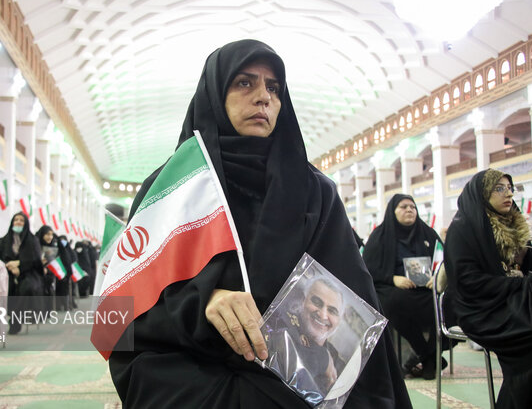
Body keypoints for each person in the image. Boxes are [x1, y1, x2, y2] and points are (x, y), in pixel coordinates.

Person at [108, 39, 411, 409]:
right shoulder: (167, 191)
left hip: (294, 378)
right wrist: (204, 301)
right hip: (185, 365)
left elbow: (355, 302)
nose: (263, 97)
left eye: (273, 88)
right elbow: (118, 313)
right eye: (244, 83)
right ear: (214, 94)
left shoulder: (316, 195)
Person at [444, 169, 532, 408]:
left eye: (510, 188)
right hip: (480, 309)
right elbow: (468, 282)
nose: (508, 194)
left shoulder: (514, 225)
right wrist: (518, 283)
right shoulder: (464, 228)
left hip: (511, 302)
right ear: (482, 193)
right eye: (499, 188)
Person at [363, 194, 448, 379]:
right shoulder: (380, 236)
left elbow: (444, 261)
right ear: (393, 211)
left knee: (450, 303)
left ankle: (431, 355)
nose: (409, 210)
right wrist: (392, 278)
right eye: (403, 207)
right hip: (394, 290)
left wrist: (437, 276)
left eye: (413, 207)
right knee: (393, 302)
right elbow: (367, 267)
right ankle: (428, 356)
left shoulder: (428, 234)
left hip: (426, 290)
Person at [265, 277, 345, 402]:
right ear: (303, 301)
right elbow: (281, 363)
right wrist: (322, 358)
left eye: (332, 311)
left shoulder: (340, 364)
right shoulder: (280, 319)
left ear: (339, 321)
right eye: (317, 302)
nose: (323, 315)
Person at [0, 212, 44, 334]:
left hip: (28, 272)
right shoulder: (4, 240)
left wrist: (20, 264)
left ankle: (17, 319)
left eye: (21, 220)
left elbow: (35, 260)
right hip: (7, 272)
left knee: (26, 288)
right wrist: (9, 266)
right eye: (16, 220)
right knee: (3, 288)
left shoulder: (32, 240)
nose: (18, 222)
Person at [36, 225, 59, 311]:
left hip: (49, 274)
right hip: (38, 273)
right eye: (47, 234)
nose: (50, 237)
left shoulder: (52, 246)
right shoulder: (36, 246)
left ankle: (47, 311)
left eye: (51, 234)